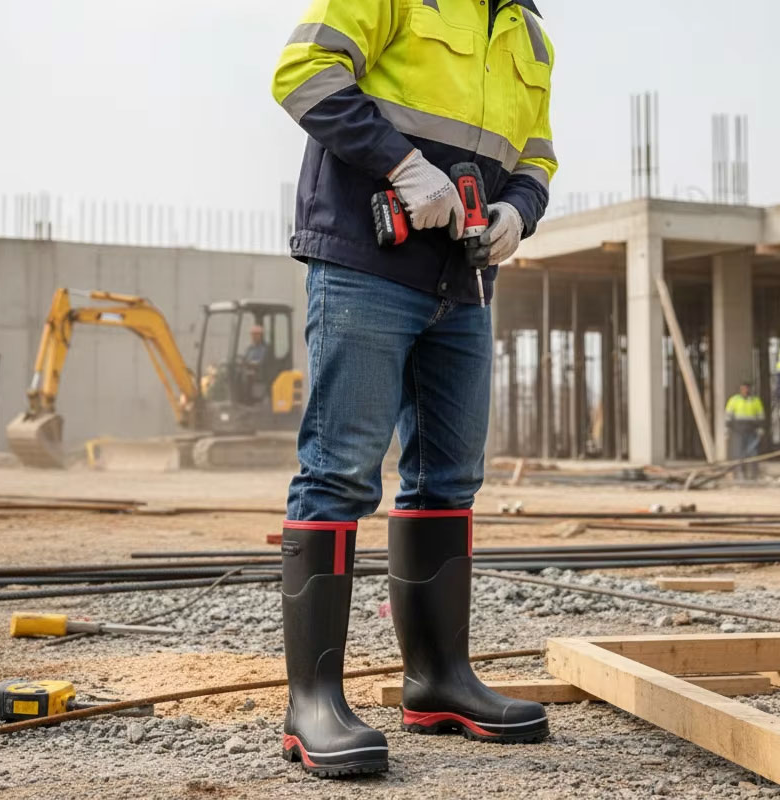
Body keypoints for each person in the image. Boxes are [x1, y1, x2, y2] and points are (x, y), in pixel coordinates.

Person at [271, 0, 557, 778]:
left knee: (448, 478)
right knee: (339, 472)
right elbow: (302, 73)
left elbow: (537, 155)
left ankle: (438, 681)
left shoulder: (530, 36)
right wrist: (400, 163)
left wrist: (518, 210)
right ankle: (312, 704)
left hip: (463, 279)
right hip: (367, 259)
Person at [725, 381, 765, 480]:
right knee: (738, 453)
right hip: (738, 431)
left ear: (749, 389)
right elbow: (728, 415)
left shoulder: (755, 401)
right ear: (740, 389)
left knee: (752, 453)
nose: (745, 390)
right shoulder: (734, 400)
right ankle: (739, 473)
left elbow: (761, 416)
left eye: (747, 388)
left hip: (751, 430)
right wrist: (727, 428)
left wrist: (760, 427)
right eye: (743, 388)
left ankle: (753, 474)